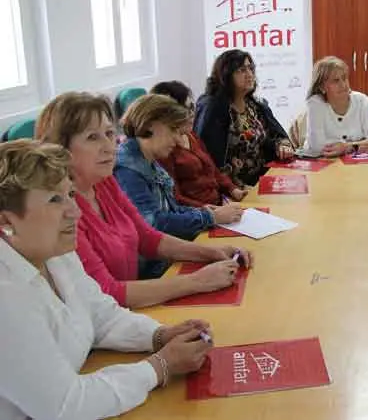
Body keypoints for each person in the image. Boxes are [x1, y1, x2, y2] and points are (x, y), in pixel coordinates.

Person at [0, 139, 213, 419]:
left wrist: (158, 335)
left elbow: (101, 315)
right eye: (54, 200)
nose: (74, 212)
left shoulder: (53, 251)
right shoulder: (7, 296)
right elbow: (66, 406)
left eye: (70, 195)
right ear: (7, 222)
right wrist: (159, 367)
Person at [36, 92, 251, 307]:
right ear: (60, 148)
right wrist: (197, 281)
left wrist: (211, 252)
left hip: (134, 310)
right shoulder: (61, 211)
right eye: (92, 137)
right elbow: (107, 293)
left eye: (109, 134)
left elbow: (147, 238)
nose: (108, 146)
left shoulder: (104, 182)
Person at [114, 94, 244, 241]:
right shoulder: (127, 169)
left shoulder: (148, 158)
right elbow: (154, 223)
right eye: (173, 129)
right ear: (150, 124)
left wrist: (205, 212)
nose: (178, 139)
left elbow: (172, 209)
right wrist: (210, 217)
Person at [195, 49, 293, 186]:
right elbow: (208, 158)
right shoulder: (214, 107)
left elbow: (276, 136)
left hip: (264, 176)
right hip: (233, 186)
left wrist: (282, 146)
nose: (249, 74)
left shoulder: (256, 105)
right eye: (241, 70)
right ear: (226, 75)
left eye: (250, 68)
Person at [151, 81, 248, 207]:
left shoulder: (191, 136)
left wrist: (232, 189)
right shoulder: (164, 149)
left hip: (220, 205)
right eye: (185, 110)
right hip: (199, 216)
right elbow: (175, 197)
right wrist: (209, 211)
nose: (192, 114)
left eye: (191, 107)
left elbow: (213, 171)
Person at [304, 56, 368, 157]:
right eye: (336, 81)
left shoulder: (361, 100)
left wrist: (348, 147)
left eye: (344, 78)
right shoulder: (315, 104)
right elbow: (317, 147)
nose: (343, 85)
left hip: (356, 164)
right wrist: (363, 143)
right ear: (322, 87)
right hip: (322, 163)